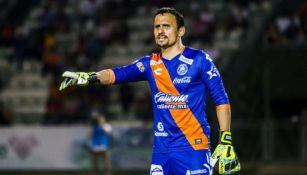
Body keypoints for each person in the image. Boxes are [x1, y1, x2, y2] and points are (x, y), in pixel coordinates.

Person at [60, 7, 240, 175]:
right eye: (157, 27)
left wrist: (225, 138)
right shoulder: (150, 63)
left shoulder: (200, 59)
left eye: (166, 26)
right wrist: (88, 77)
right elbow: (118, 74)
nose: (160, 31)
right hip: (161, 152)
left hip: (193, 149)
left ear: (180, 31)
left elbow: (221, 99)